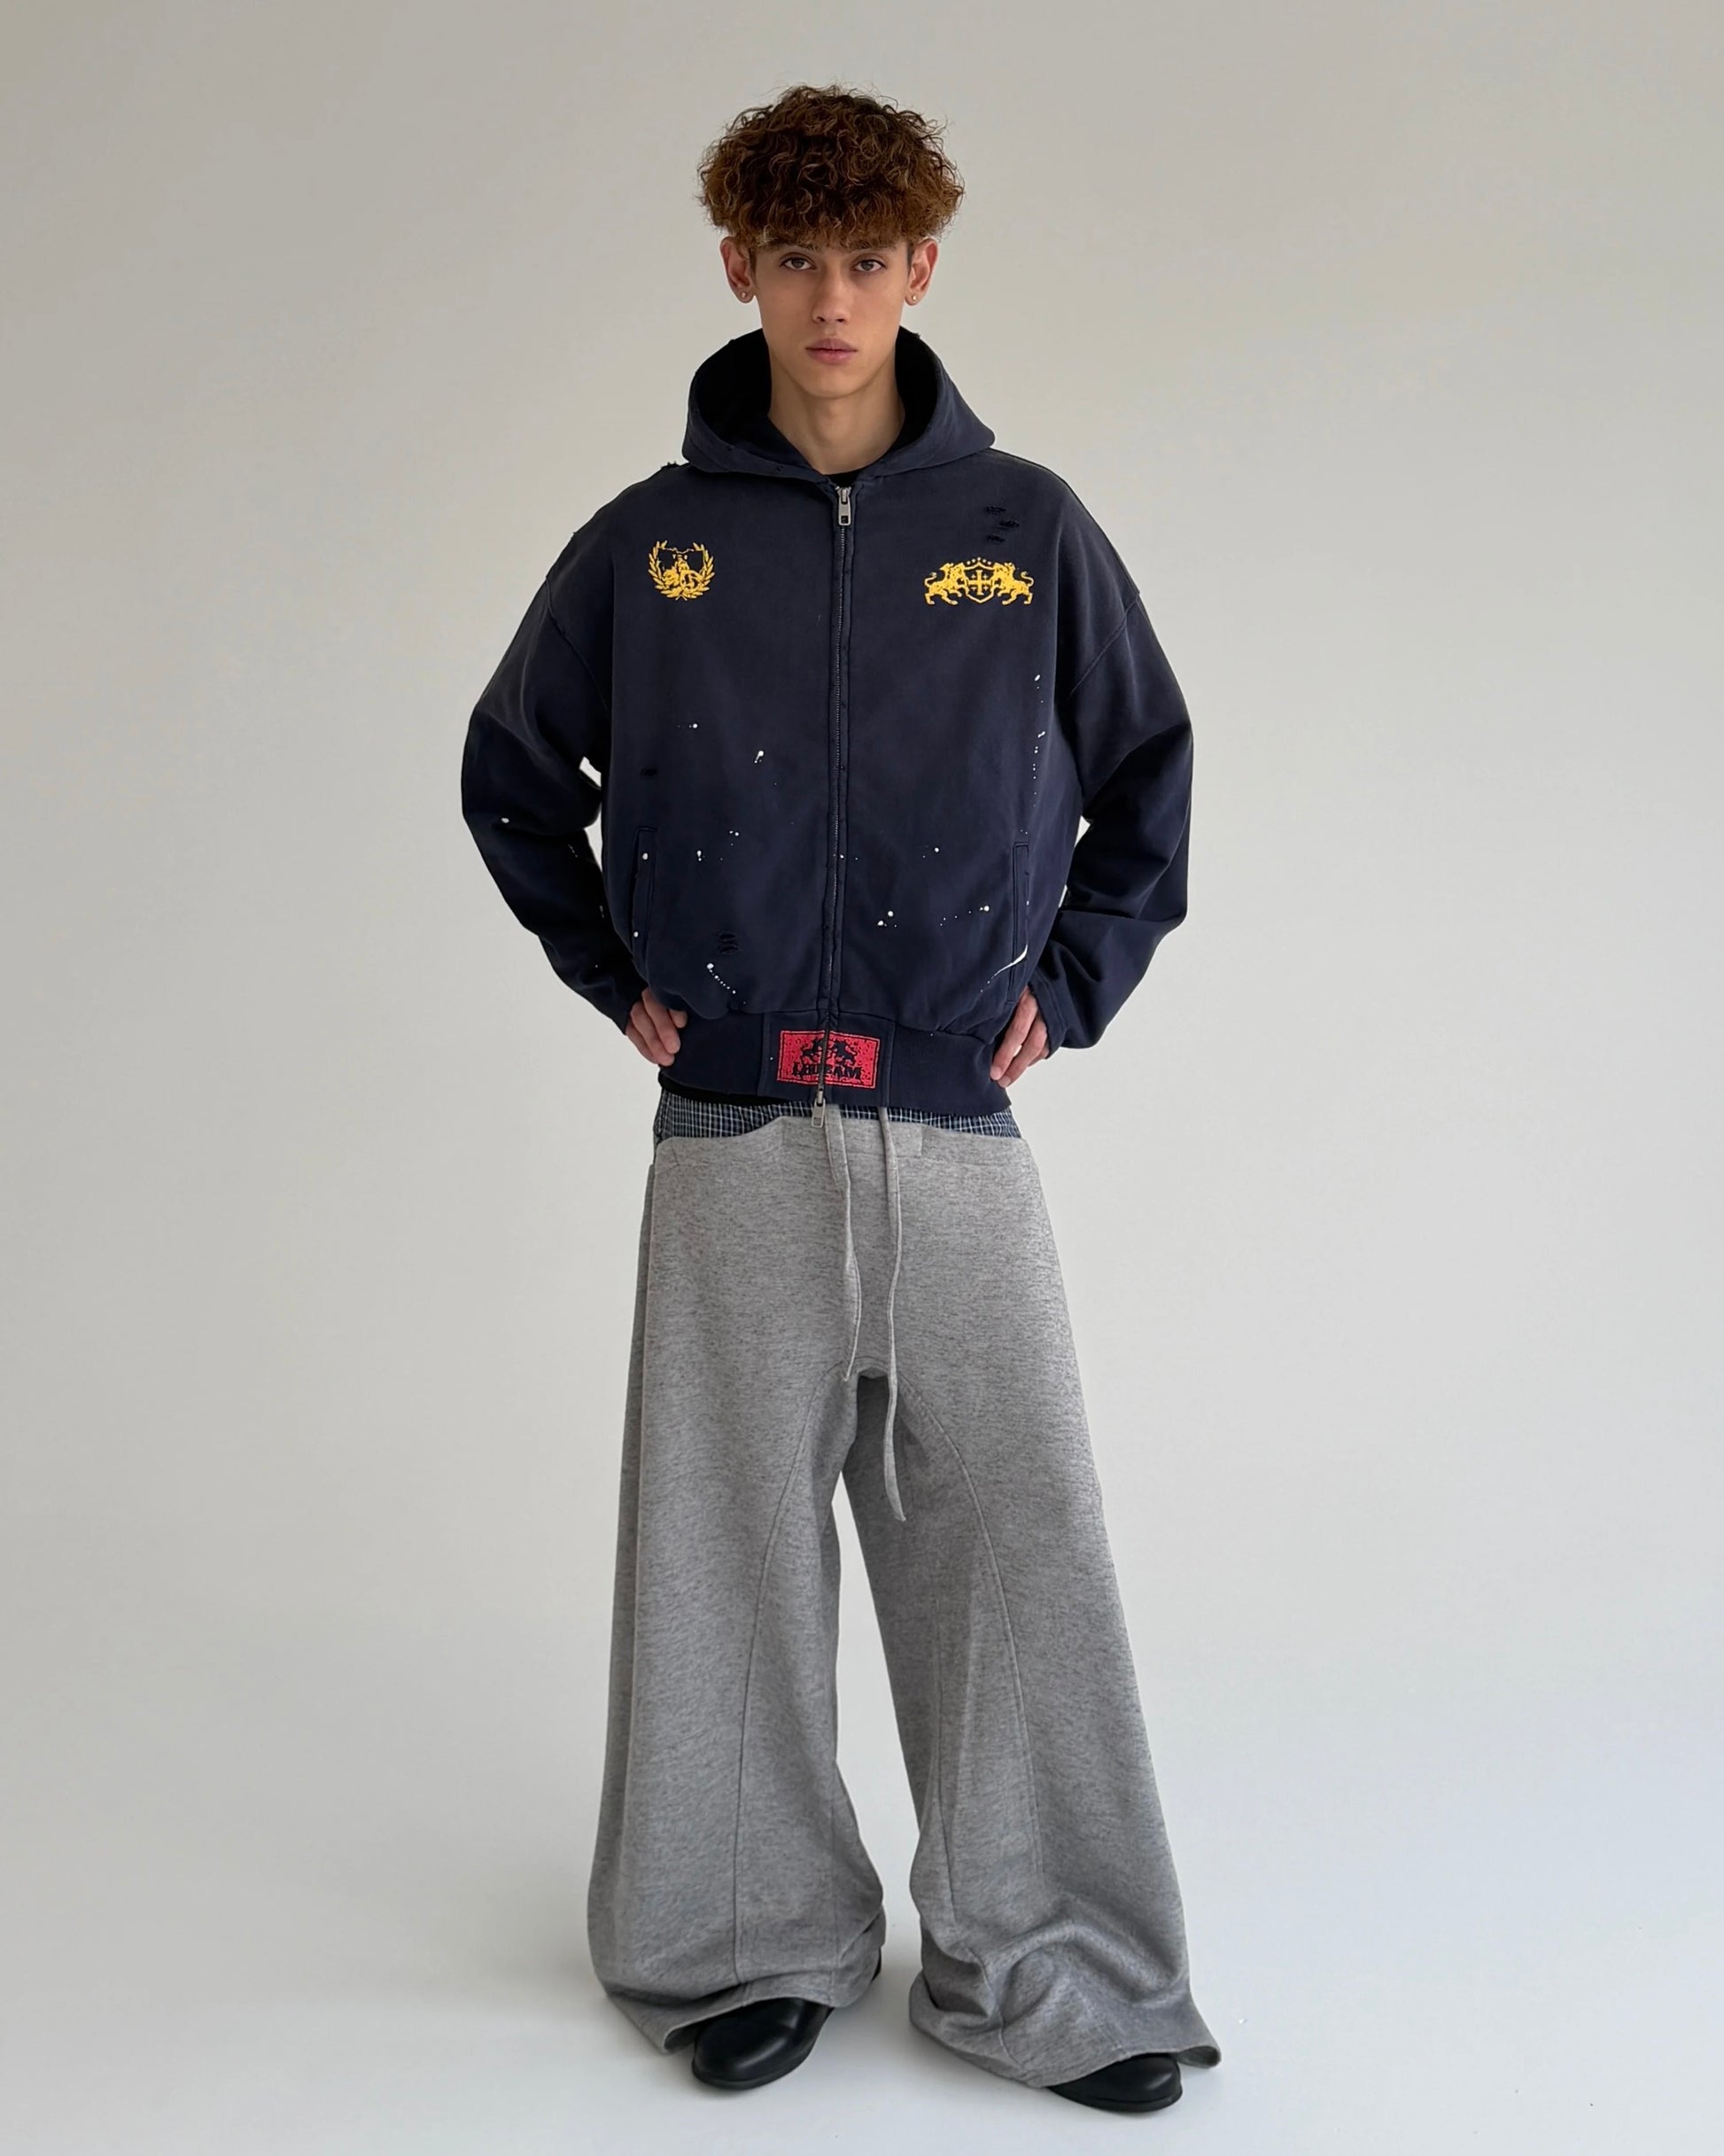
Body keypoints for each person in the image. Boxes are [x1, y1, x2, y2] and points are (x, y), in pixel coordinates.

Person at [459, 82, 1222, 2115]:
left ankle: (1051, 1958)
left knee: (1016, 1532)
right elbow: (512, 775)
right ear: (739, 266)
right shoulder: (653, 546)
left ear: (920, 269)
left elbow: (1147, 773)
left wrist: (1069, 985)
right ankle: (734, 1941)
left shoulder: (1022, 531)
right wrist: (614, 974)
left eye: (866, 260)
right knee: (719, 1542)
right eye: (795, 258)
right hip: (727, 1126)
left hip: (954, 1119)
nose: (830, 298)